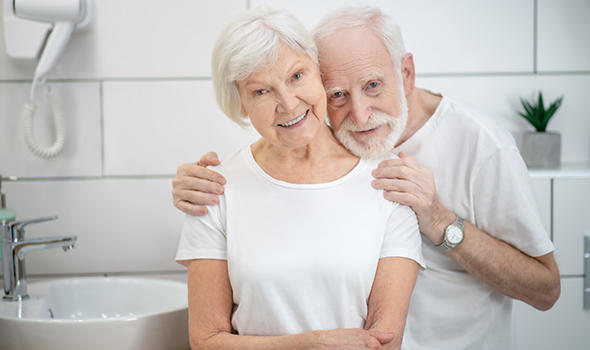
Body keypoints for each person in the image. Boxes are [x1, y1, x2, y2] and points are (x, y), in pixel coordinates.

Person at [172, 6, 561, 350]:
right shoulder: (320, 133)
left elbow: (546, 289)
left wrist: (440, 220)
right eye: (338, 93)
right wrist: (201, 182)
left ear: (406, 73)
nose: (358, 115)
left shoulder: (480, 147)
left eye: (373, 85)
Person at [175, 7, 425, 350]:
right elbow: (205, 341)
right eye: (262, 91)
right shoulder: (214, 189)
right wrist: (308, 344)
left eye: (297, 76)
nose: (289, 104)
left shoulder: (387, 184)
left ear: (319, 73)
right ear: (241, 103)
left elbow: (385, 342)